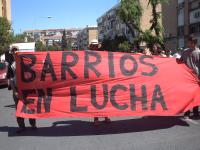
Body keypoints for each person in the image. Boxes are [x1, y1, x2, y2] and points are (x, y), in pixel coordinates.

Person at [7, 46, 37, 133]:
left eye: (16, 51)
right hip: (17, 90)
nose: (15, 52)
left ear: (19, 52)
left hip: (27, 89)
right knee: (19, 108)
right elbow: (11, 79)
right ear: (11, 53)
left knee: (30, 107)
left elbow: (31, 74)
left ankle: (33, 124)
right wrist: (15, 91)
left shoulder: (25, 63)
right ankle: (21, 126)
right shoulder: (11, 65)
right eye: (13, 51)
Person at [88, 39, 111, 126]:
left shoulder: (103, 54)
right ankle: (96, 118)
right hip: (93, 81)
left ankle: (106, 116)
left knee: (105, 99)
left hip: (102, 80)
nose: (95, 47)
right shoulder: (86, 55)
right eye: (93, 46)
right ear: (91, 47)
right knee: (95, 100)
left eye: (96, 45)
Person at [179, 35, 200, 118]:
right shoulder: (185, 52)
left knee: (196, 95)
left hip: (196, 77)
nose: (188, 44)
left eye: (189, 42)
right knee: (186, 95)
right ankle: (187, 112)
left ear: (194, 43)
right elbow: (179, 62)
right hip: (186, 77)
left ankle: (195, 112)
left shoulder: (199, 52)